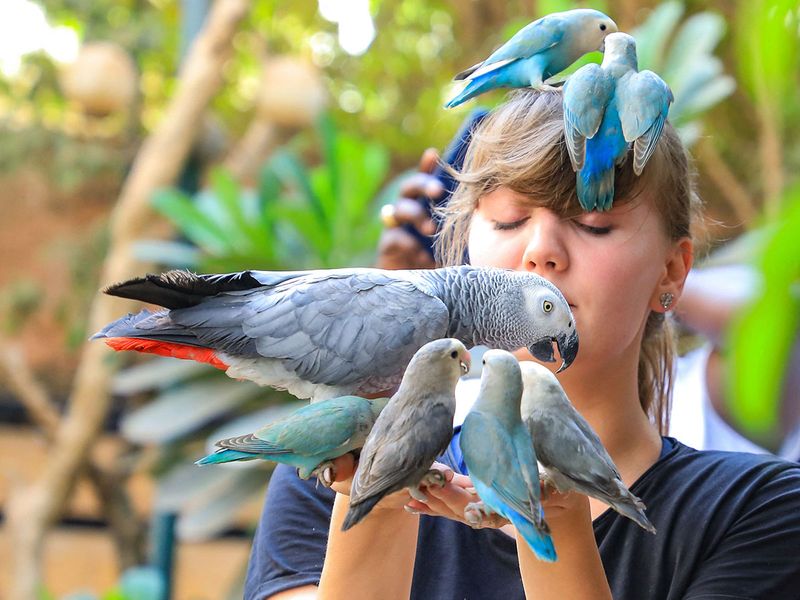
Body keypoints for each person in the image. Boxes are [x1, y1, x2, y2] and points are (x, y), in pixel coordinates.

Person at [243, 89, 800, 600]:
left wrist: (555, 529)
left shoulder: (759, 512)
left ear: (672, 274)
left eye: (594, 223)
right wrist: (375, 504)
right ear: (464, 252)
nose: (542, 252)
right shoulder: (327, 476)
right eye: (510, 221)